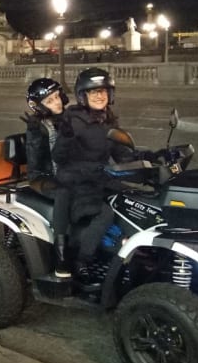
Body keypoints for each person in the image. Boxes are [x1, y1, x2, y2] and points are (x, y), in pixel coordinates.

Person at [52, 68, 138, 282]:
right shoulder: (72, 120)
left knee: (133, 203)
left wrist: (150, 159)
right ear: (83, 96)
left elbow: (122, 154)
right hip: (76, 184)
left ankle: (127, 256)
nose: (100, 96)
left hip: (101, 179)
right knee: (105, 214)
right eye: (93, 92)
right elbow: (59, 157)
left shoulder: (107, 120)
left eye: (103, 91)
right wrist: (65, 137)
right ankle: (82, 260)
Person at [22, 78, 72, 278]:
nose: (57, 102)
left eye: (57, 97)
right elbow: (36, 161)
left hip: (67, 172)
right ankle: (62, 256)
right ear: (39, 106)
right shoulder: (39, 127)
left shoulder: (67, 118)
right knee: (64, 193)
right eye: (50, 101)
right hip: (43, 176)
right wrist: (36, 132)